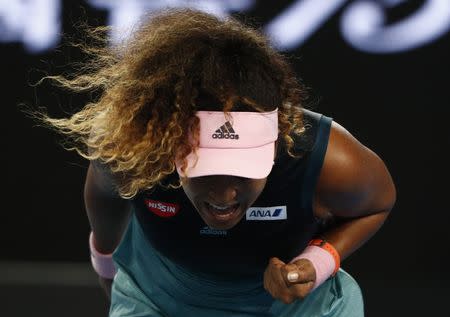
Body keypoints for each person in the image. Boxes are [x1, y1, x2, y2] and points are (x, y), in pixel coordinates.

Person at [39, 8, 396, 317]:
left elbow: (377, 204)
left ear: (275, 146)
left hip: (296, 307)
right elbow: (105, 196)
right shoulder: (133, 148)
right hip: (158, 296)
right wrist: (106, 263)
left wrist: (316, 263)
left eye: (244, 170)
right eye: (205, 169)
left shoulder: (331, 159)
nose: (224, 194)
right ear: (172, 146)